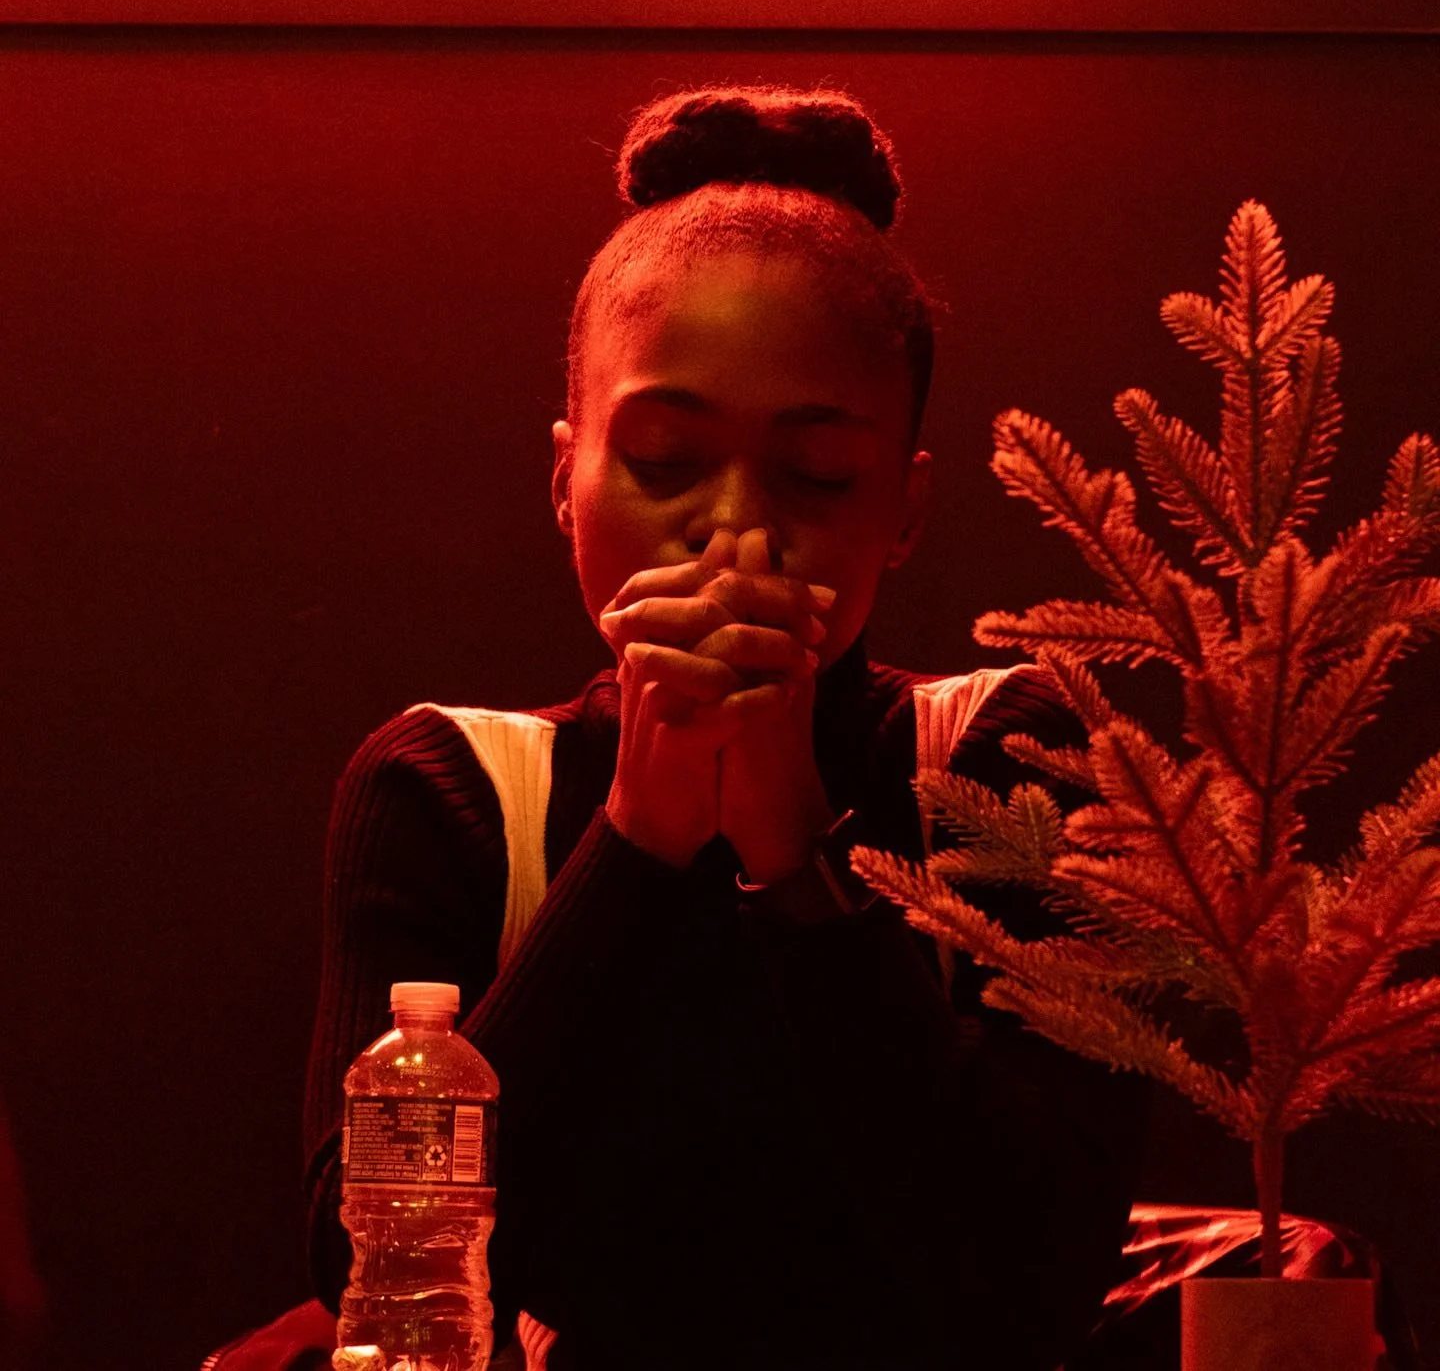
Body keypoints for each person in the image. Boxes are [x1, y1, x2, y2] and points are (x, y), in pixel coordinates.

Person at [302, 85, 1148, 1371]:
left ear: (905, 509)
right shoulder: (450, 788)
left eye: (815, 475)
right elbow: (370, 1256)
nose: (734, 530)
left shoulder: (1005, 756)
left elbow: (1026, 1282)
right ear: (563, 479)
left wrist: (796, 850)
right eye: (664, 457)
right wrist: (637, 839)